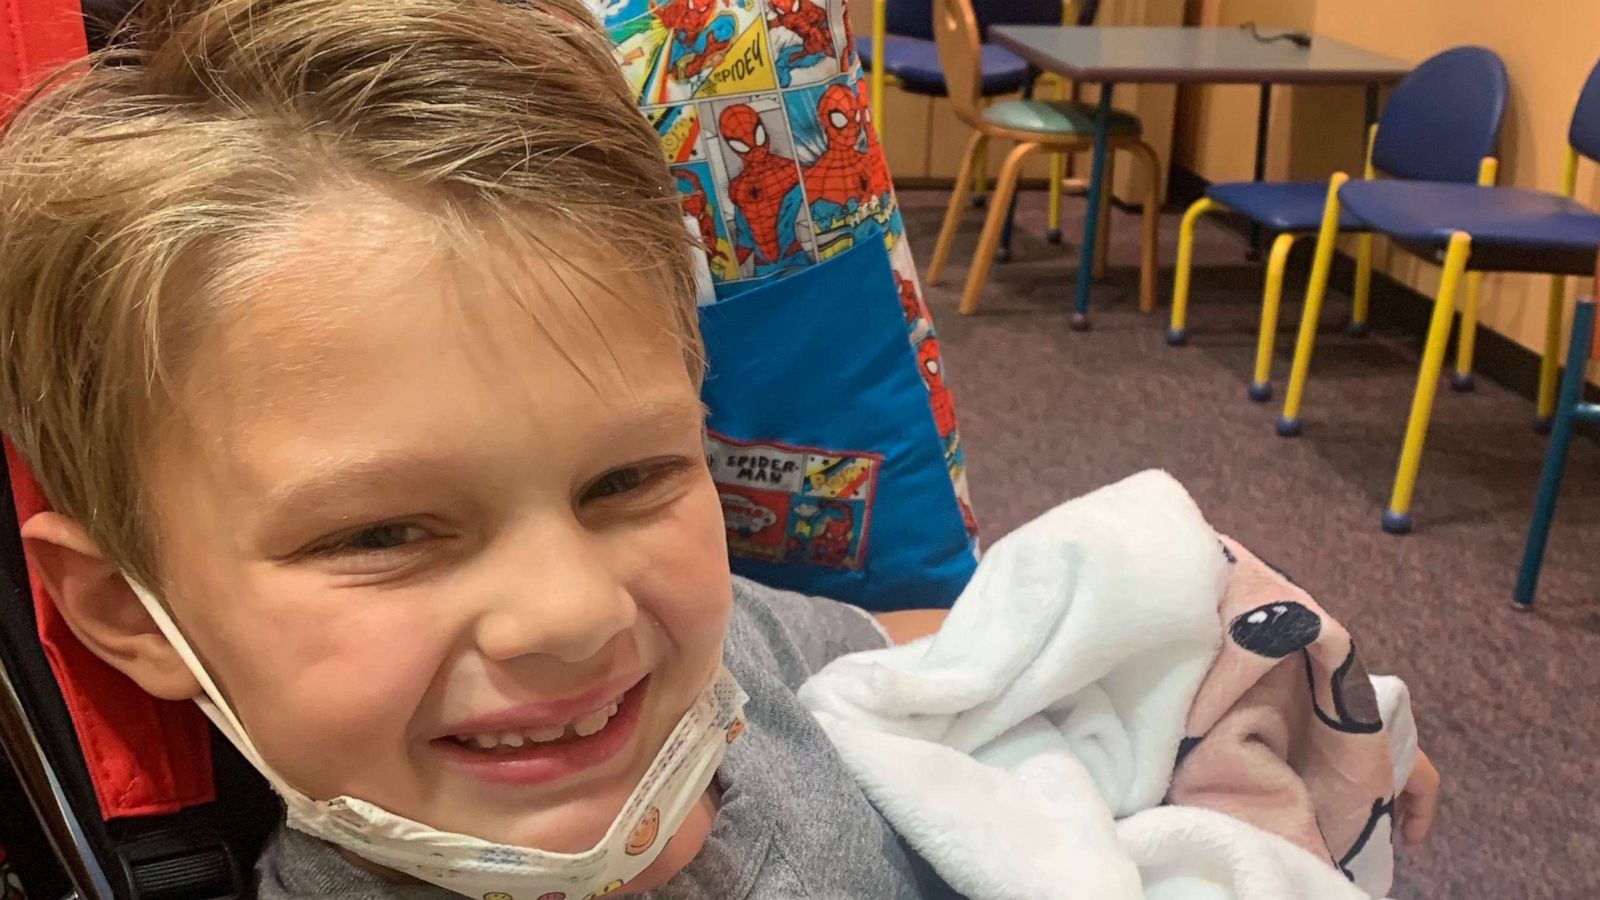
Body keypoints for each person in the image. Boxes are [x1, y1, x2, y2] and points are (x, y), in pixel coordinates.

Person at [0, 2, 1435, 898]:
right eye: (383, 533)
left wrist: (1227, 688)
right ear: (133, 610)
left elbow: (907, 646)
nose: (577, 614)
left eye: (628, 479)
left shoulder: (719, 653)